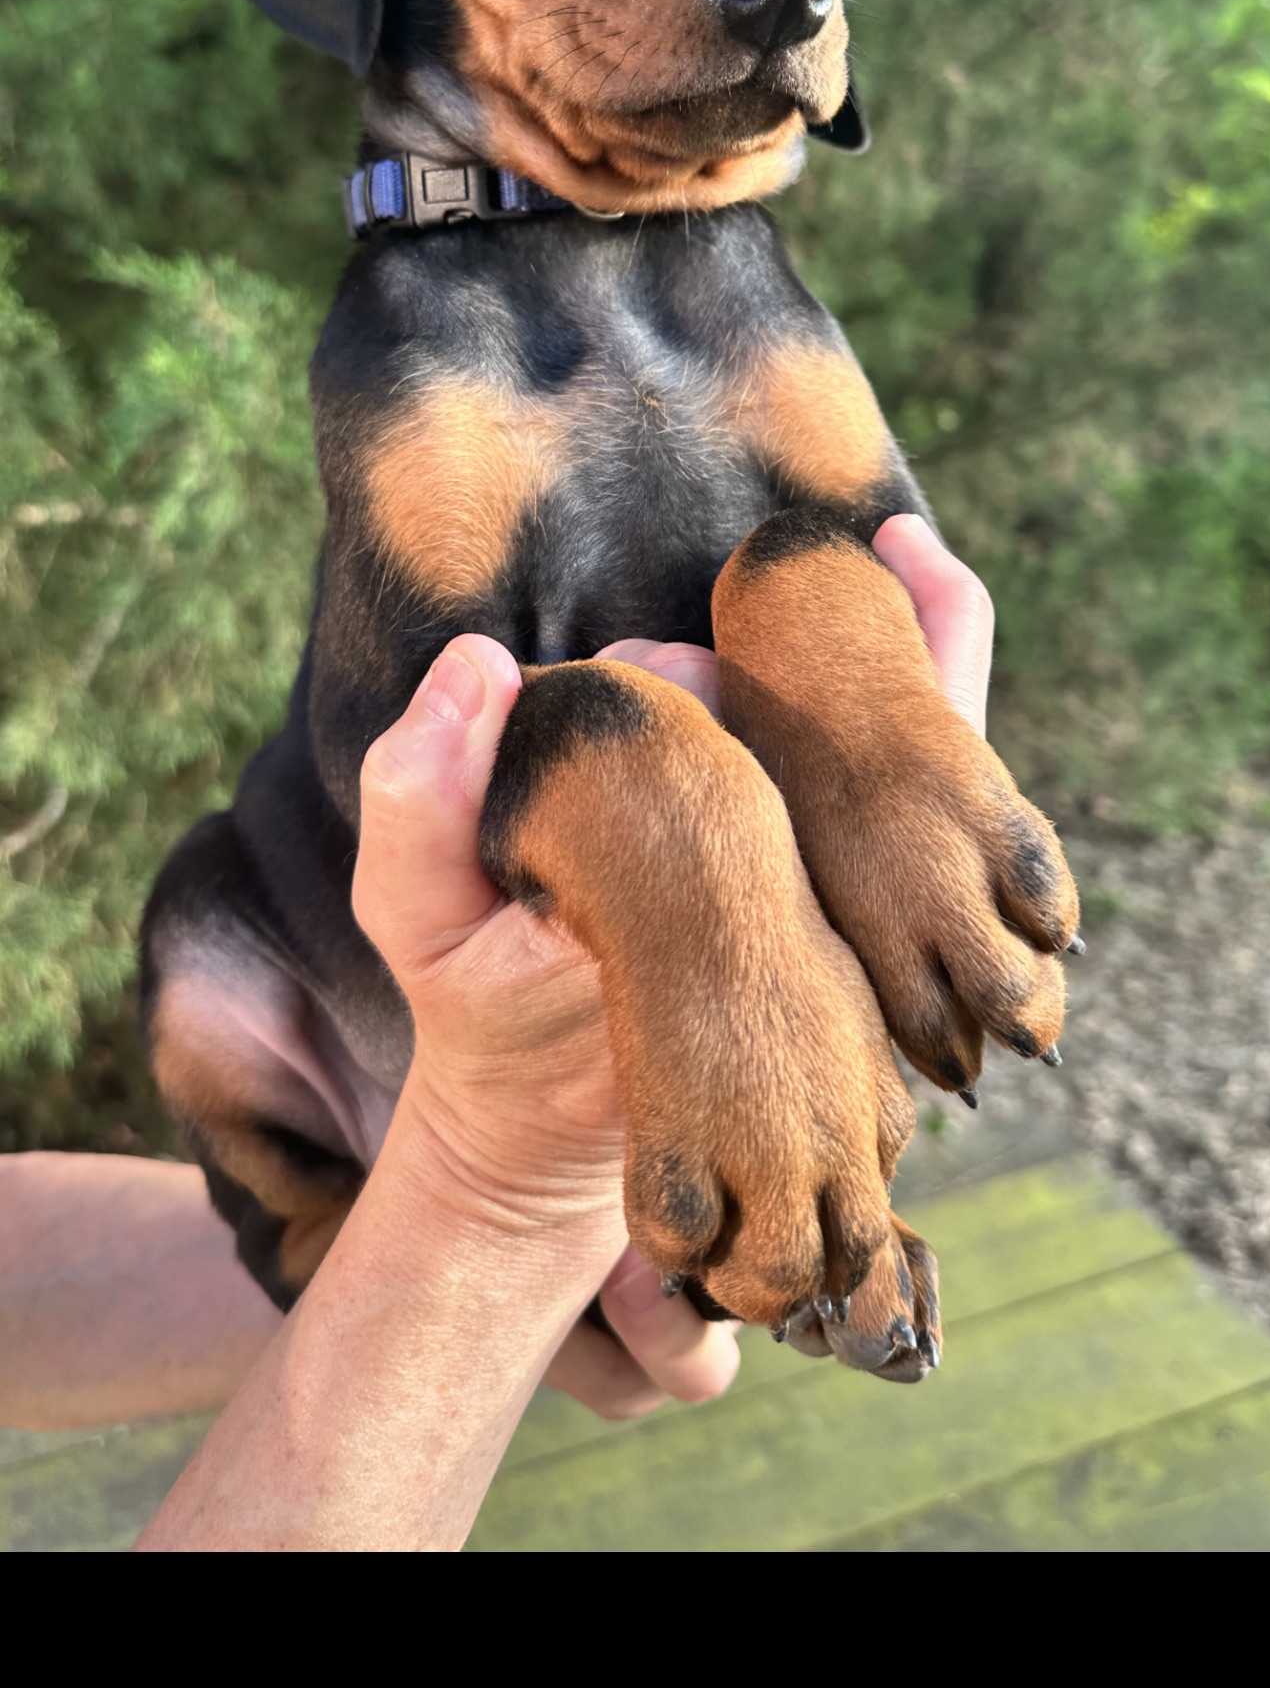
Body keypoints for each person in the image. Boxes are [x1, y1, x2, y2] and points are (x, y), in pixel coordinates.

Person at [0, 517, 995, 1551]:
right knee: (207, 929)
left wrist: (869, 743)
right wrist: (494, 1205)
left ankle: (739, 1185)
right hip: (348, 986)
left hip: (481, 1042)